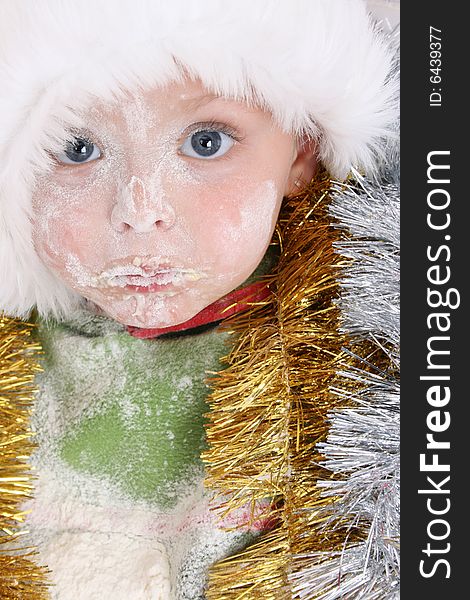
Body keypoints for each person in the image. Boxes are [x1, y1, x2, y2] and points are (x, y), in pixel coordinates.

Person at [0, 1, 399, 598]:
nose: (139, 213)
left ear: (300, 153)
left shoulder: (375, 357)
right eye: (77, 148)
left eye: (207, 142)